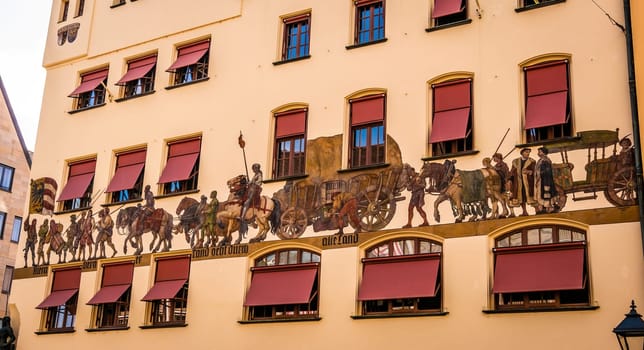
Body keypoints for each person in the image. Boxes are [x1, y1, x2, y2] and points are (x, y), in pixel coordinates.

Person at [508, 148, 536, 216]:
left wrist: (529, 172)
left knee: (531, 196)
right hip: (518, 182)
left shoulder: (532, 161)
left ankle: (537, 210)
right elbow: (512, 171)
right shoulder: (516, 161)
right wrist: (510, 179)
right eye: (526, 152)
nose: (528, 153)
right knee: (521, 197)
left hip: (529, 182)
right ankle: (524, 211)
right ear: (522, 153)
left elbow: (535, 171)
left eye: (528, 152)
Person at [534, 147, 557, 213]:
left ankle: (548, 208)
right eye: (538, 152)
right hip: (541, 180)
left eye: (540, 152)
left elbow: (547, 170)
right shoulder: (540, 160)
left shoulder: (546, 160)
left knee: (546, 193)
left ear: (544, 153)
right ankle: (544, 207)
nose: (538, 153)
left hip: (545, 180)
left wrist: (540, 173)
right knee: (541, 193)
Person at [241, 163, 263, 231]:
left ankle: (242, 217)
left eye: (254, 168)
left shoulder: (259, 174)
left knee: (247, 202)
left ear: (257, 168)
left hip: (255, 189)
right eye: (253, 169)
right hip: (252, 188)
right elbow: (251, 181)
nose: (253, 170)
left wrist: (252, 182)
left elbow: (259, 182)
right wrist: (249, 182)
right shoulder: (256, 174)